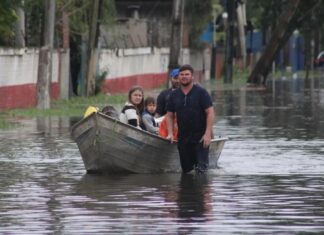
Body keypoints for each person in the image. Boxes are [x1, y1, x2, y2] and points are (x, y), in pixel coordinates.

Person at [166, 64, 215, 174]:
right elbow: (169, 115)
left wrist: (208, 134)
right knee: (187, 172)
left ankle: (203, 190)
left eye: (187, 74)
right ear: (178, 77)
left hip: (201, 138)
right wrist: (170, 133)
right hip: (183, 139)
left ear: (192, 76)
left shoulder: (201, 93)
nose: (184, 76)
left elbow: (210, 112)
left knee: (202, 173)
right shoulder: (174, 95)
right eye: (181, 75)